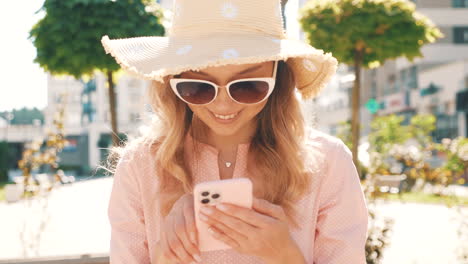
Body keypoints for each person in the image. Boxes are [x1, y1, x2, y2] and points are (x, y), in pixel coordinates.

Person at [101, 0, 368, 263]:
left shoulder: (329, 162)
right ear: (173, 81)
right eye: (198, 87)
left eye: (248, 85)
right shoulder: (139, 166)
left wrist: (285, 255)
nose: (223, 104)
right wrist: (165, 256)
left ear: (279, 76)